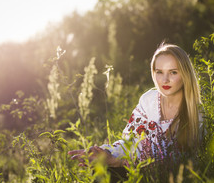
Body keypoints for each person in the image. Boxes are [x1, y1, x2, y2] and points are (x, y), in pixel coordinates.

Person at [68, 43, 204, 168]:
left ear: (185, 74)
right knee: (101, 169)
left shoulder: (195, 112)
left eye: (173, 72)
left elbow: (176, 162)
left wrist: (119, 162)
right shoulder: (148, 100)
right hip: (134, 170)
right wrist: (104, 152)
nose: (165, 80)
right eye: (159, 72)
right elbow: (129, 142)